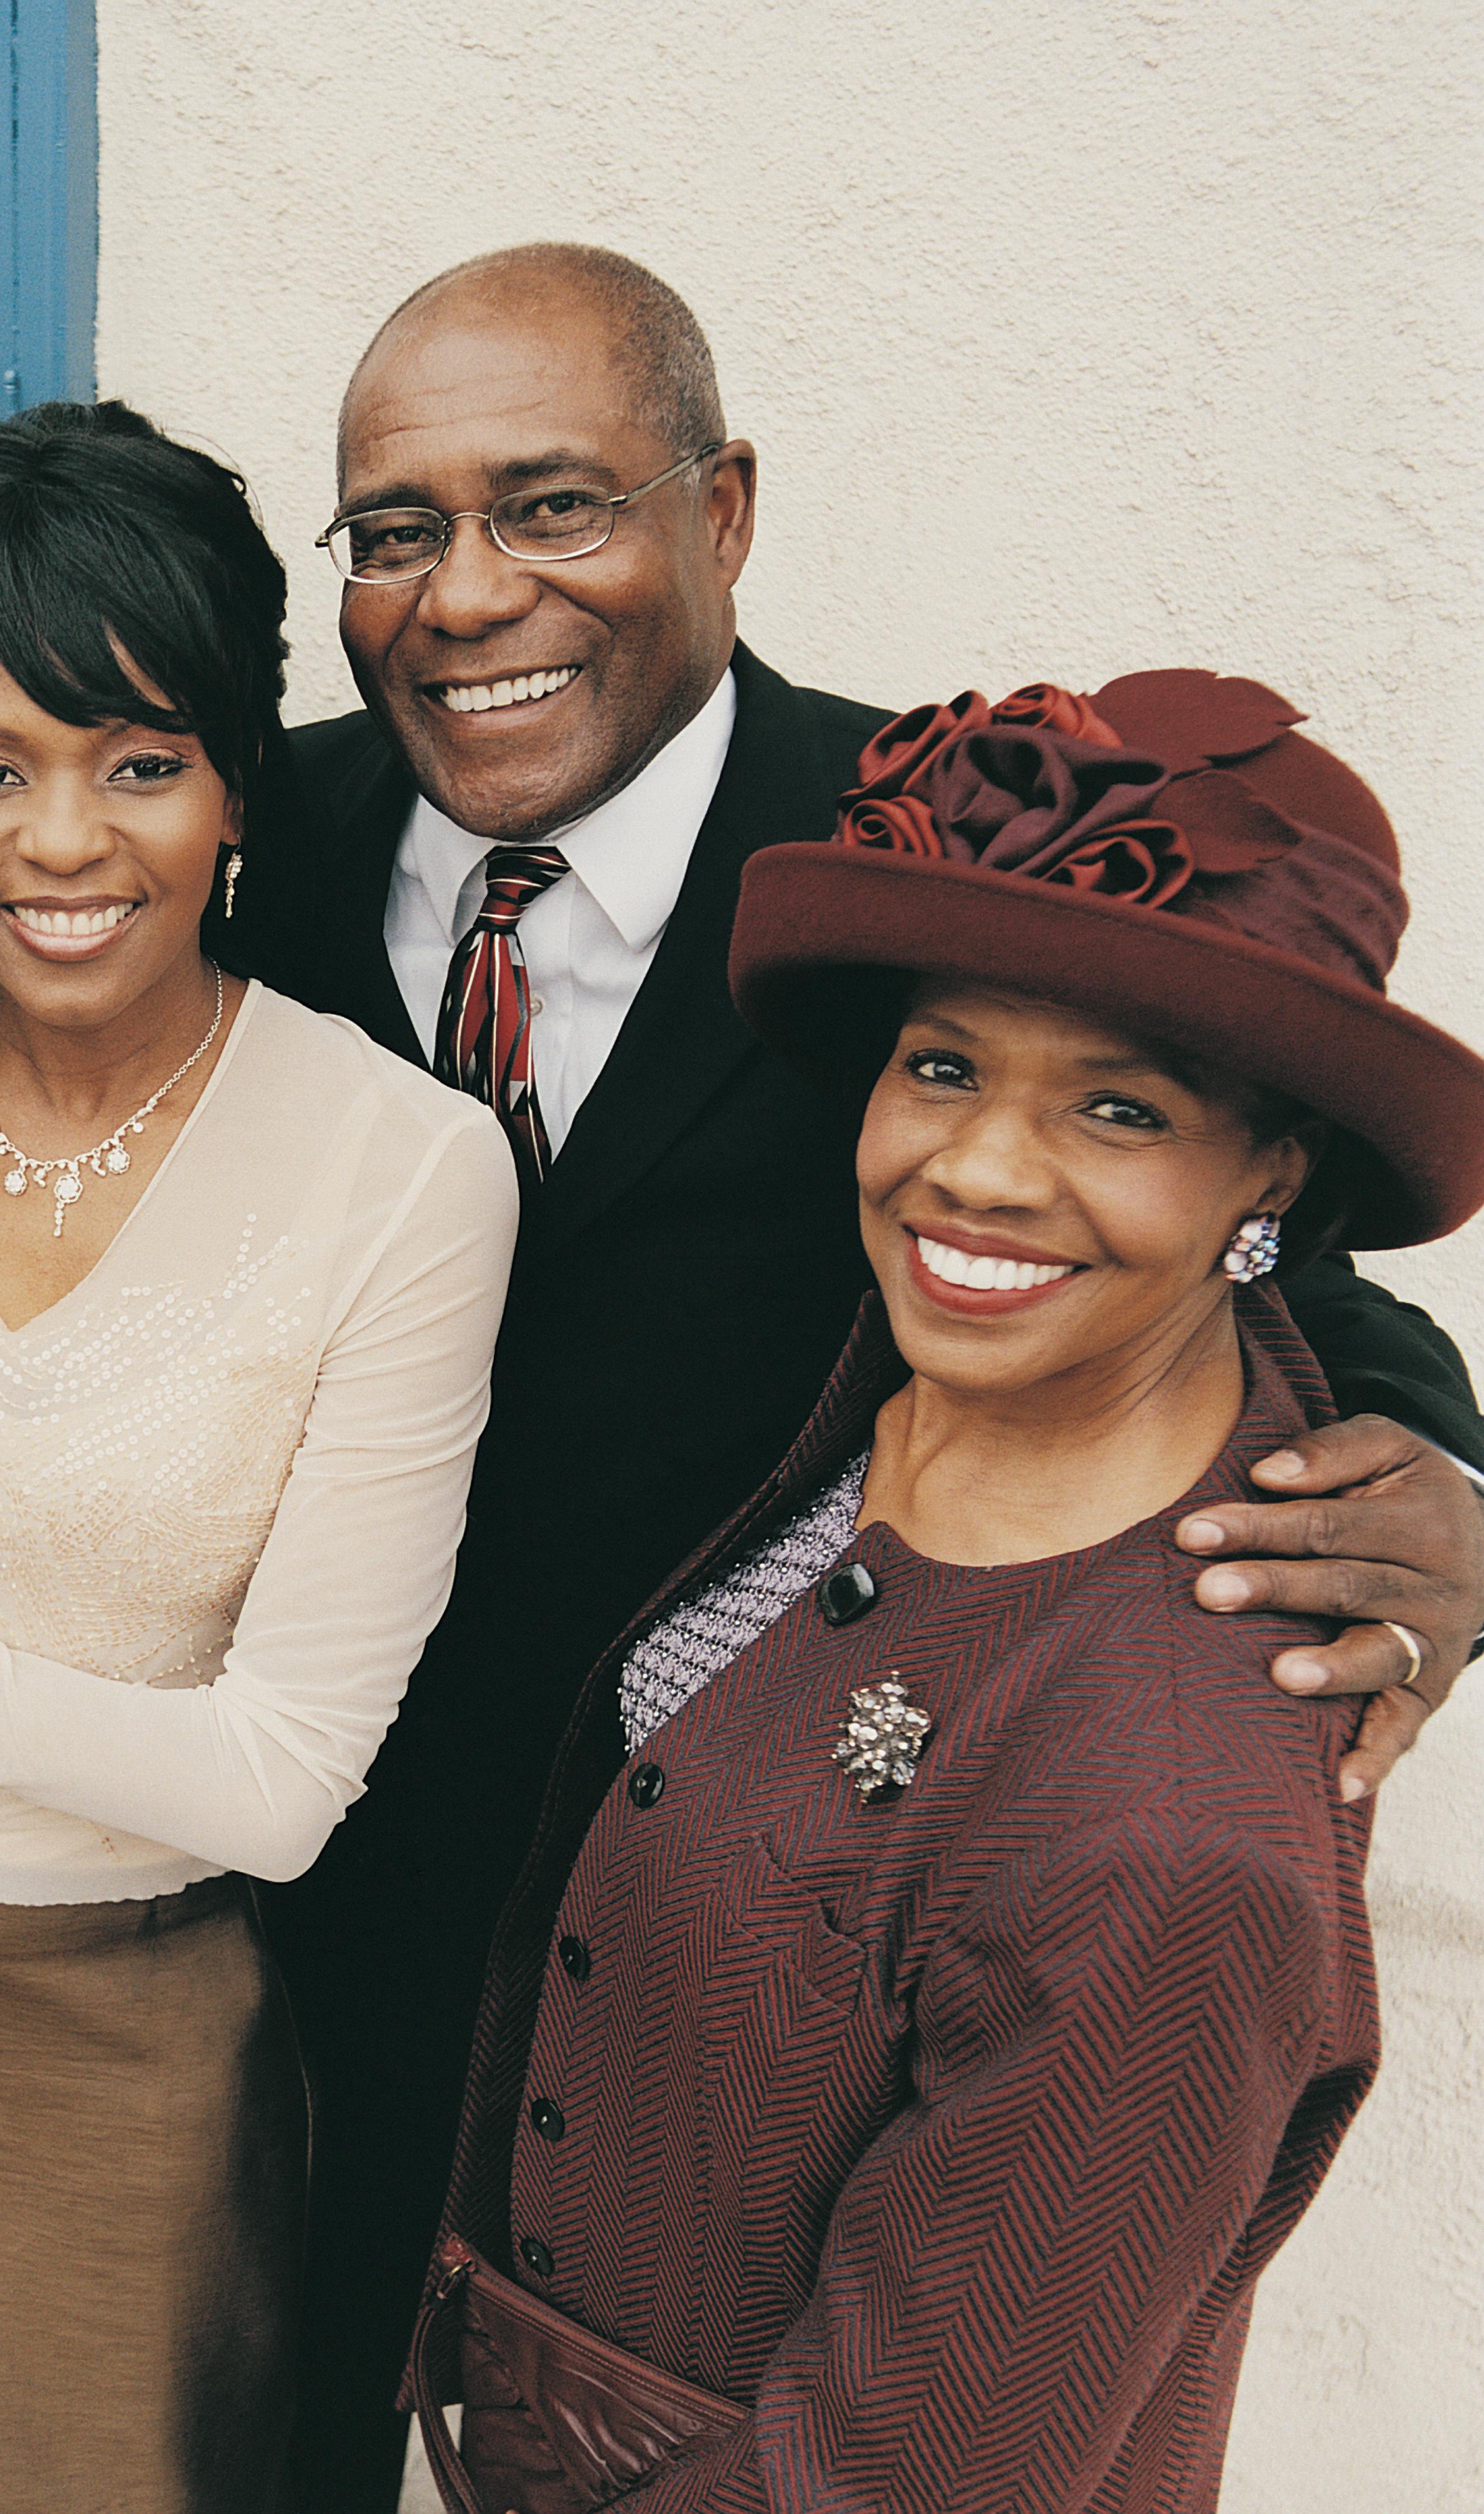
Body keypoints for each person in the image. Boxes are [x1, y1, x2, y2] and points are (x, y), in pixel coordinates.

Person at [229, 243, 1484, 2506]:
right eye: (394, 530)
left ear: (721, 511)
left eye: (552, 507)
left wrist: (1459, 1486)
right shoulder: (248, 841)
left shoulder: (917, 885)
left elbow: (1239, 1247)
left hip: (764, 2009)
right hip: (302, 1961)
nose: (465, 592)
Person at [411, 671, 1484, 2513]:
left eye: (1122, 1110)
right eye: (945, 1063)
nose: (979, 1170)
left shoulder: (1171, 1830)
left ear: (1276, 1169)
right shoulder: (882, 1379)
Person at [0, 399, 519, 2512]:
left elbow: (276, 1778)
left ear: (239, 786)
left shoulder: (398, 1170)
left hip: (127, 2040)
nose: (61, 839)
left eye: (137, 761)